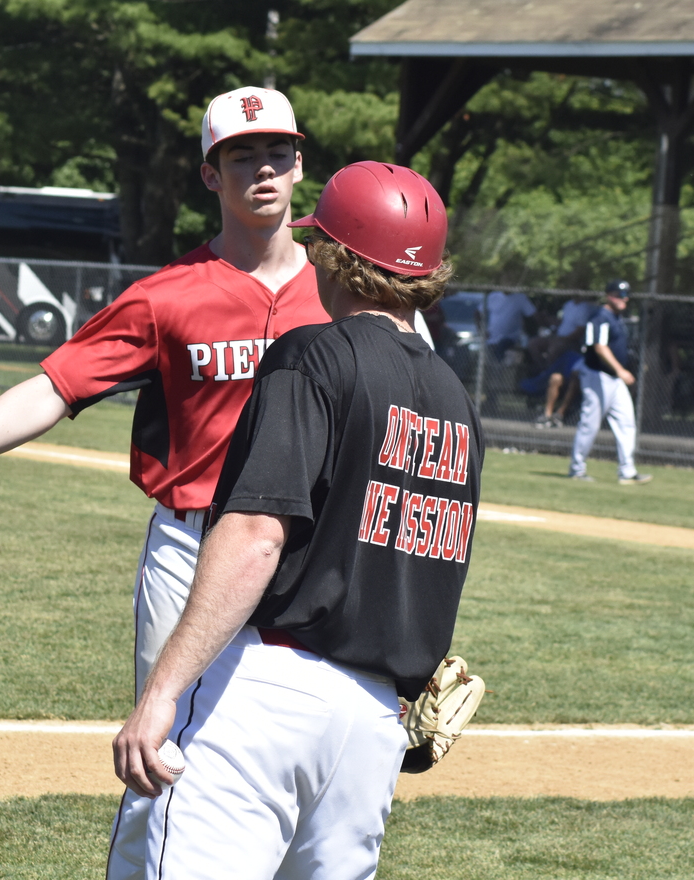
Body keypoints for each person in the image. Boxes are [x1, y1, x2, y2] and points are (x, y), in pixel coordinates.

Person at [0, 86, 327, 879]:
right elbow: (58, 385)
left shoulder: (345, 293)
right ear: (210, 176)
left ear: (299, 167)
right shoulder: (166, 294)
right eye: (240, 155)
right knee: (164, 752)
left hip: (313, 556)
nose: (263, 169)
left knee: (300, 750)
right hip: (194, 546)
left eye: (276, 153)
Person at [112, 160, 482, 878]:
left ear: (334, 257)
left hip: (266, 701)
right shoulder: (455, 399)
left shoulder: (313, 356)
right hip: (374, 725)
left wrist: (162, 691)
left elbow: (256, 535)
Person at [569, 280, 650, 485]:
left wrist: (619, 373)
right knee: (590, 424)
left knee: (626, 422)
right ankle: (577, 469)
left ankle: (627, 472)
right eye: (618, 295)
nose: (623, 299)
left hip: (613, 380)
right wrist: (621, 370)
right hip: (597, 376)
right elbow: (599, 347)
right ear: (608, 296)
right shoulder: (600, 317)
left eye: (625, 295)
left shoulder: (616, 318)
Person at [485, 290, 535, 363]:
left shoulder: (520, 298)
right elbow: (478, 313)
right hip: (491, 341)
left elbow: (532, 315)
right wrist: (481, 329)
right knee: (490, 363)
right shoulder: (492, 296)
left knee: (504, 354)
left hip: (511, 339)